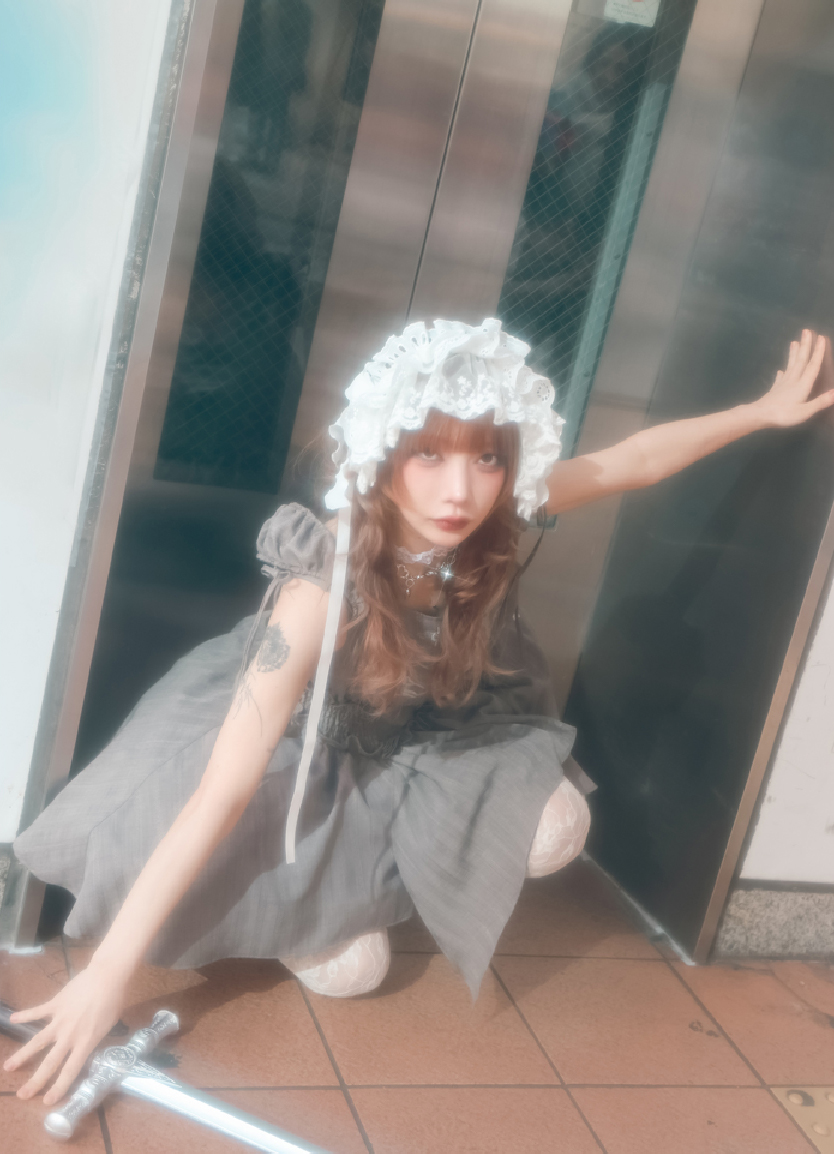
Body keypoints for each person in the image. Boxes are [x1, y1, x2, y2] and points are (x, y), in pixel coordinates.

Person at [6, 319, 833, 1107]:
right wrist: (106, 978)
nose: (459, 491)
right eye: (428, 453)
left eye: (486, 457)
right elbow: (224, 791)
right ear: (382, 450)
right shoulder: (320, 583)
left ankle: (356, 877)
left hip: (418, 725)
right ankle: (305, 906)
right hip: (303, 752)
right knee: (355, 973)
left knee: (554, 828)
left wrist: (759, 412)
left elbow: (631, 461)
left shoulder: (495, 512)